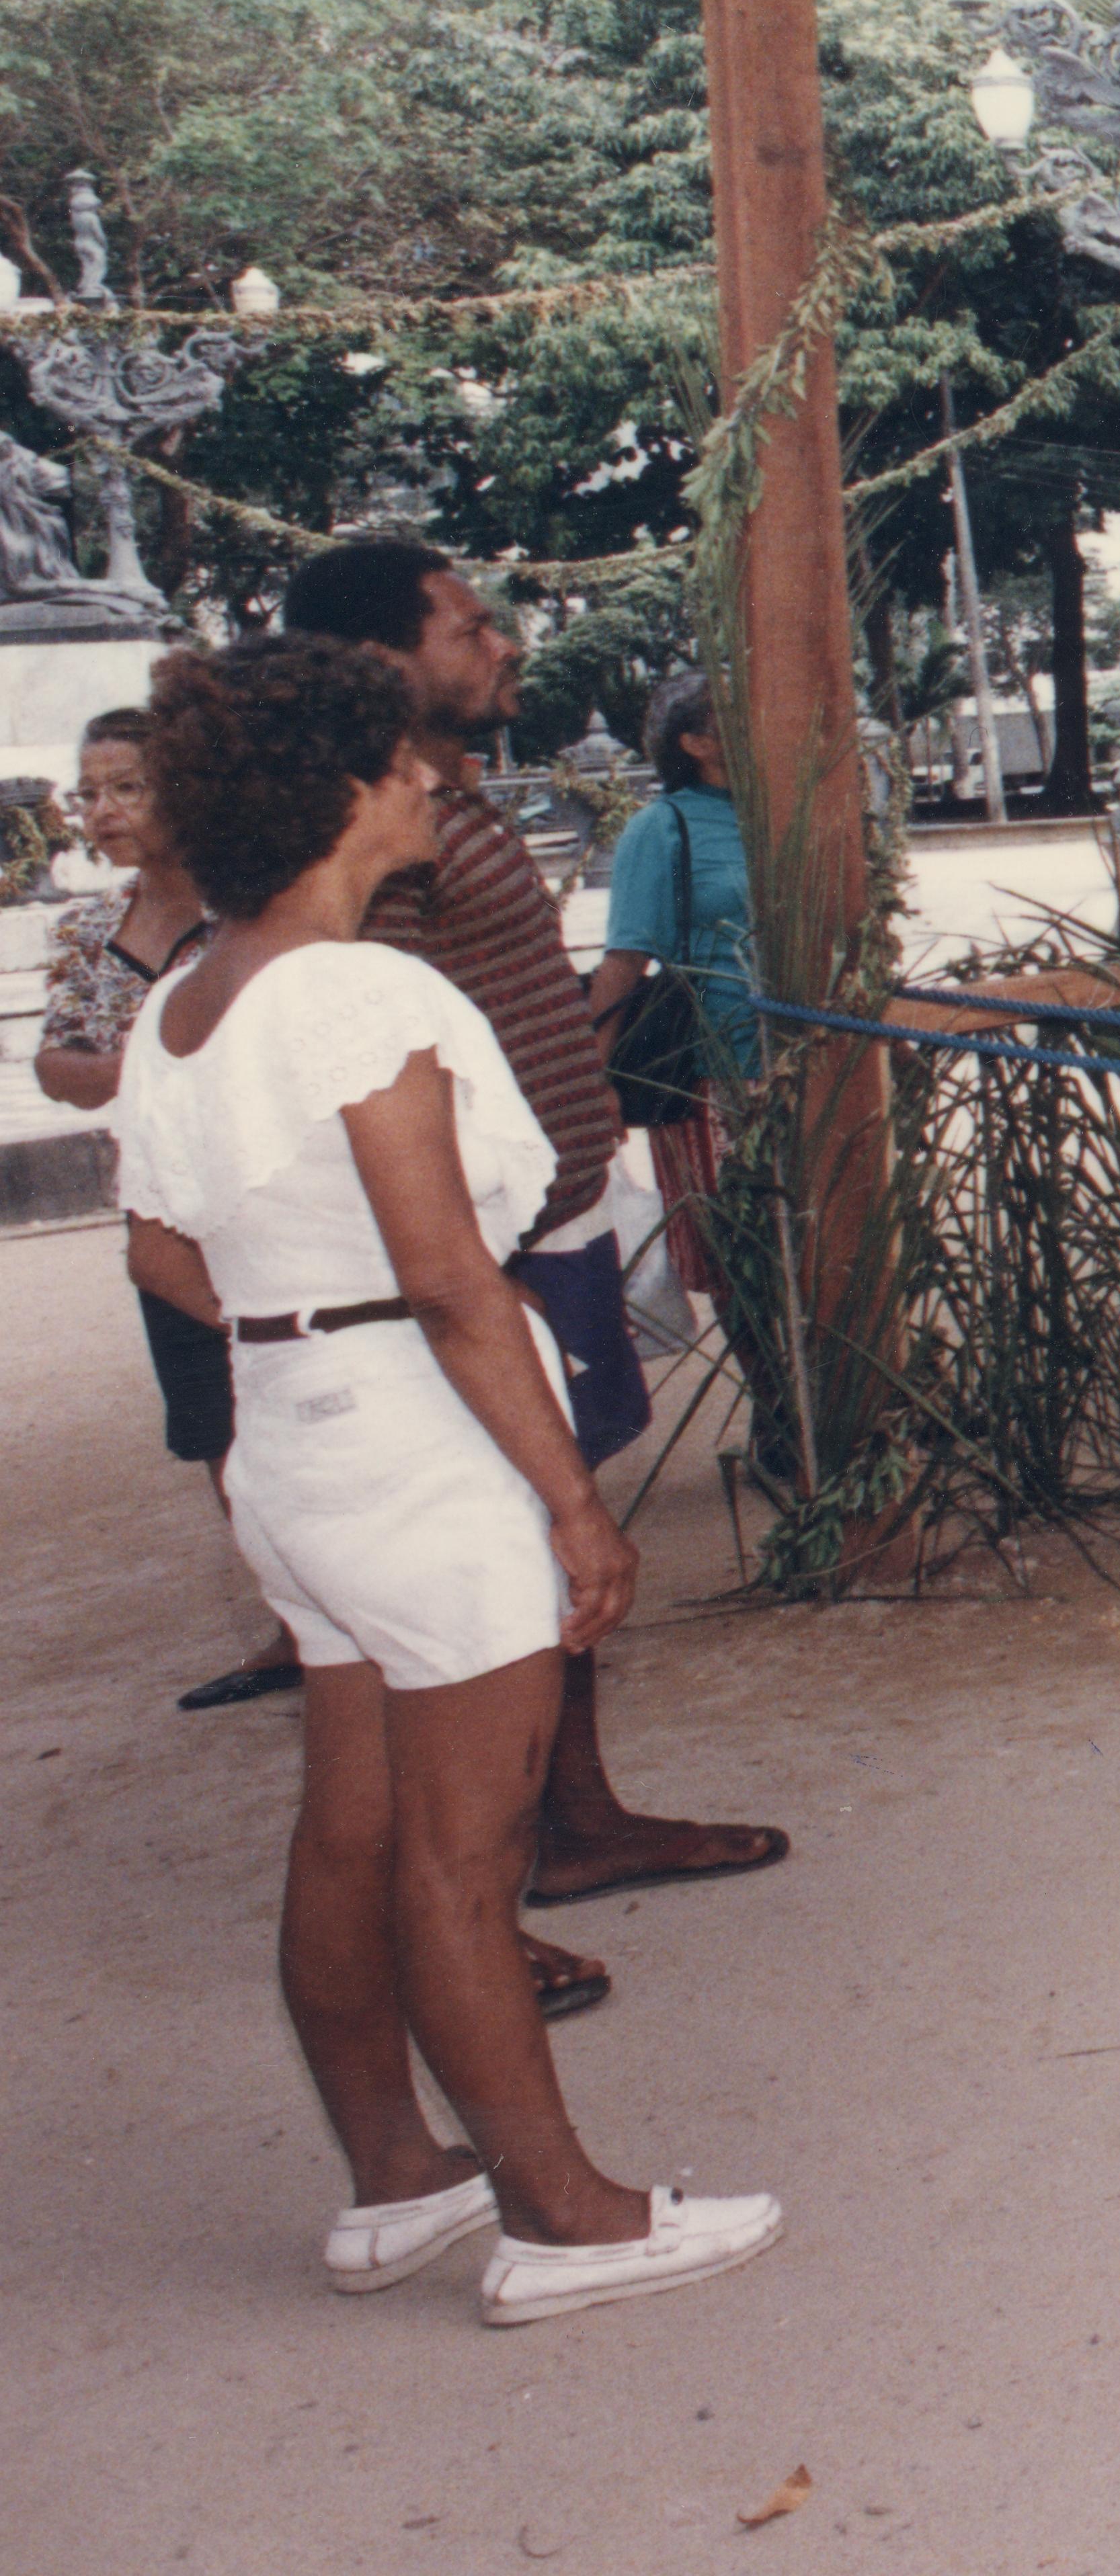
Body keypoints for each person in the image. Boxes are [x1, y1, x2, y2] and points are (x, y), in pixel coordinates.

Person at [112, 637, 779, 2321]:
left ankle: (394, 2182)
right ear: (344, 786)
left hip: (293, 1436)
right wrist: (566, 1502)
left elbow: (164, 1256)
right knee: (463, 1859)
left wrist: (302, 1323)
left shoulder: (189, 997)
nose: (435, 776)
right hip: (414, 1434)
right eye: (407, 755)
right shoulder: (361, 994)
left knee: (350, 1829)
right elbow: (456, 1283)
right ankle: (568, 2218)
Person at [273, 540, 787, 1923]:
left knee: (542, 1547)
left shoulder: (444, 795)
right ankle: (471, 1904)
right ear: (383, 658)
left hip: (541, 1222)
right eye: (469, 622)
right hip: (471, 1256)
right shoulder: (363, 829)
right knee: (498, 1564)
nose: (503, 642)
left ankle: (569, 1822)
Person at [34, 706, 299, 1712]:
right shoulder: (86, 932)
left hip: (267, 1199)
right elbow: (57, 1061)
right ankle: (292, 1624)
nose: (99, 811)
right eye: (88, 790)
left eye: (126, 787)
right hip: (164, 1212)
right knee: (216, 1427)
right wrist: (132, 1067)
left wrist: (146, 1063)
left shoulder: (255, 914)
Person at [587, 671, 755, 1302]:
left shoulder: (790, 814)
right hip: (713, 1083)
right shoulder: (662, 828)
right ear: (696, 744)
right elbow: (624, 964)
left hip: (815, 1064)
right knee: (744, 1271)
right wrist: (595, 1081)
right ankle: (777, 1402)